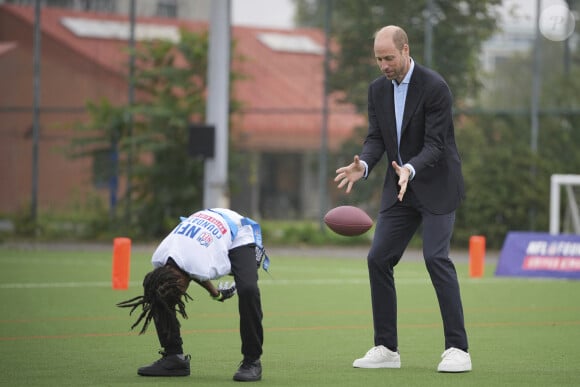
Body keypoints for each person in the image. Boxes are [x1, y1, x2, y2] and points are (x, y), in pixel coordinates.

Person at [334, 25, 471, 373]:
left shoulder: (435, 87)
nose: (384, 65)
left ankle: (458, 349)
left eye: (389, 58)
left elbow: (436, 146)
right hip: (399, 188)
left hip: (437, 183)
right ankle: (386, 348)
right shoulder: (377, 90)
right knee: (378, 258)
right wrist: (363, 165)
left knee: (435, 257)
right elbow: (376, 138)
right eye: (379, 59)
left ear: (405, 50)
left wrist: (410, 168)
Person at [117, 208, 269, 382]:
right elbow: (194, 271)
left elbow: (203, 270)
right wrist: (218, 294)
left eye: (179, 291)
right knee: (157, 294)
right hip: (203, 226)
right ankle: (173, 358)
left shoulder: (203, 266)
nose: (180, 295)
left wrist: (250, 263)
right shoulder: (160, 258)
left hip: (236, 230)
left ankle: (252, 361)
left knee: (248, 288)